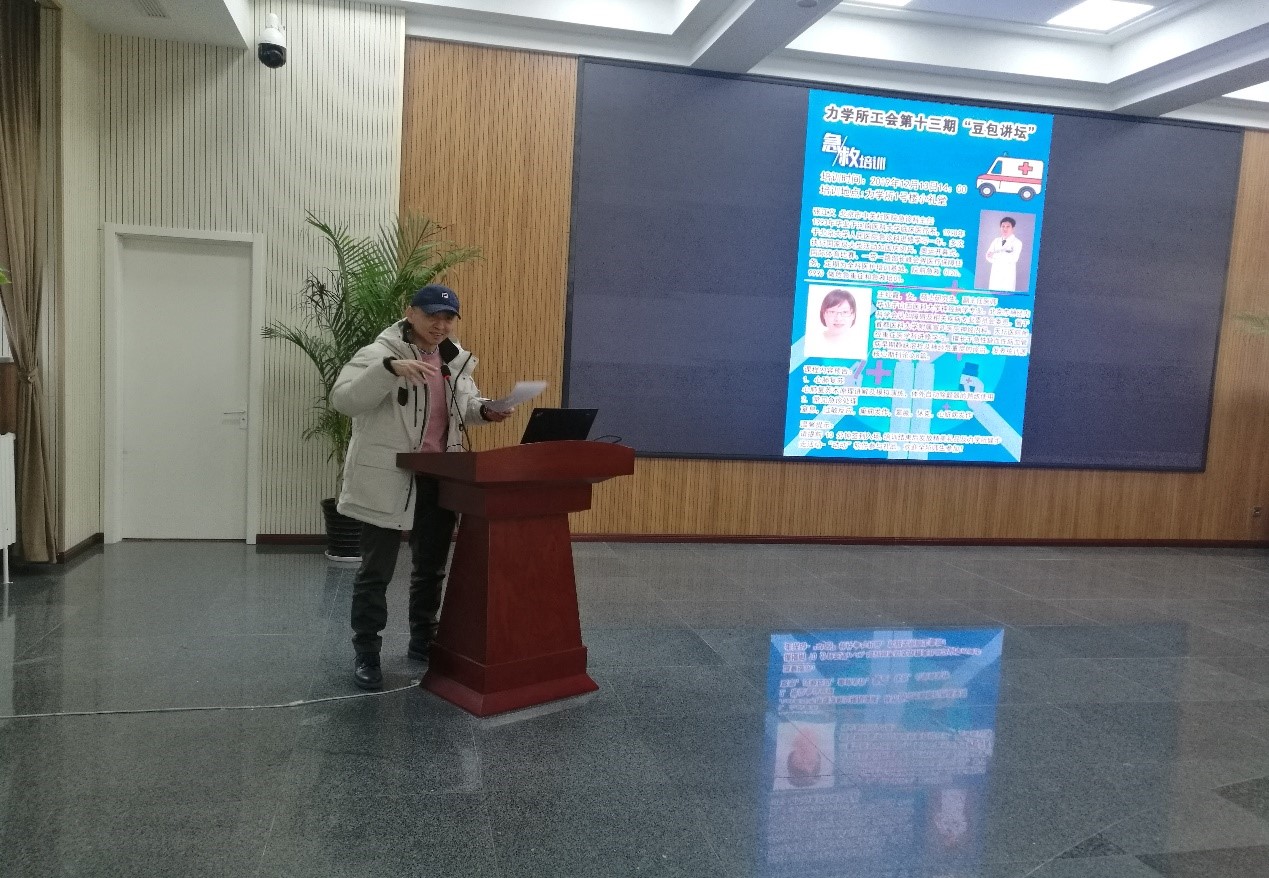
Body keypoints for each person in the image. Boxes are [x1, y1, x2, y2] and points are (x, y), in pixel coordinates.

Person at [330, 283, 510, 690]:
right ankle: (367, 652)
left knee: (430, 568)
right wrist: (388, 370)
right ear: (410, 313)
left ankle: (422, 641)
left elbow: (462, 408)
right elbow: (344, 401)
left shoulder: (454, 360)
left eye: (448, 318)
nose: (440, 325)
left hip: (438, 478)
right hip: (387, 477)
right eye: (432, 315)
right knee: (376, 572)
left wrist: (486, 411)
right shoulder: (379, 353)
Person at [803, 288, 865, 360]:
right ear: (823, 314)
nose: (838, 318)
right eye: (832, 312)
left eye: (845, 312)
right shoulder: (811, 343)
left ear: (853, 315)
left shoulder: (860, 347)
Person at [983, 217, 1022, 292]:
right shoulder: (995, 241)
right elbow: (988, 256)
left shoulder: (1017, 242)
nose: (1005, 229)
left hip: (1007, 276)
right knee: (993, 295)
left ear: (1013, 228)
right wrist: (1004, 256)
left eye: (1008, 226)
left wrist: (994, 255)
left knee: (1006, 296)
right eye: (1003, 226)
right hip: (995, 274)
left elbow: (1014, 258)